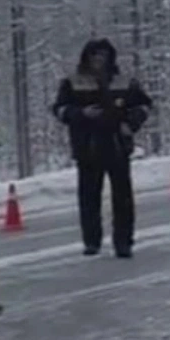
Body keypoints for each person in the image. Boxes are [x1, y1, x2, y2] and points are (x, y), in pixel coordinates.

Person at [52, 39, 152, 258]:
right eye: (94, 55)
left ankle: (123, 242)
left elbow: (144, 105)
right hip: (88, 146)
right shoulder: (73, 82)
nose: (99, 60)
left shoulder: (123, 82)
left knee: (123, 199)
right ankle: (91, 241)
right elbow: (60, 109)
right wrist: (81, 114)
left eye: (103, 55)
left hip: (117, 144)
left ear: (110, 58)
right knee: (89, 198)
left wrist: (131, 123)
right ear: (86, 57)